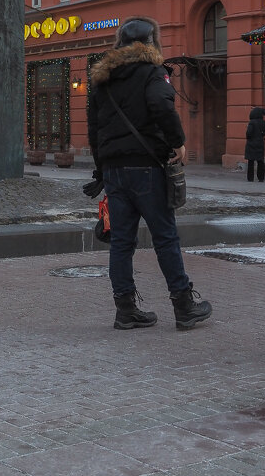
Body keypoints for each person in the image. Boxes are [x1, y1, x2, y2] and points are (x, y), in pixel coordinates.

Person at [87, 16, 212, 331]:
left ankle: (125, 310)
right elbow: (160, 104)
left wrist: (102, 168)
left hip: (114, 170)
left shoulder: (103, 80)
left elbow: (94, 128)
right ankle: (184, 306)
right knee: (165, 237)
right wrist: (178, 142)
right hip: (146, 167)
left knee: (121, 242)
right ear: (151, 43)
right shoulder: (152, 72)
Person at [243, 107, 265, 182]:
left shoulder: (251, 122)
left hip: (251, 143)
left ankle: (250, 178)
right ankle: (261, 177)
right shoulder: (263, 122)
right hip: (260, 142)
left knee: (251, 161)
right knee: (260, 161)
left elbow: (249, 133)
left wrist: (248, 137)